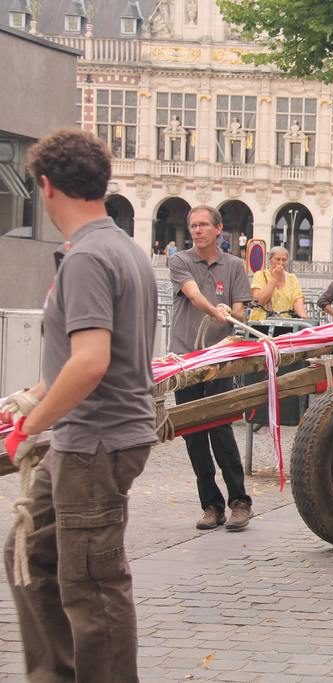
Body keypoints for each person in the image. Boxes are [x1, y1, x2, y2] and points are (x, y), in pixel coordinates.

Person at [1, 128, 157, 681]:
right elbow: (89, 355)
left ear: (45, 187)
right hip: (93, 437)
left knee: (93, 586)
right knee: (29, 553)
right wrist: (33, 396)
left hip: (94, 443)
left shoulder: (89, 258)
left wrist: (33, 426)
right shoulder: (122, 249)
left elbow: (90, 362)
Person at [167, 205, 254, 531]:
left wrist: (233, 314)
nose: (197, 230)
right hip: (185, 359)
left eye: (204, 225)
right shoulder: (180, 260)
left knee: (220, 427)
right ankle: (211, 505)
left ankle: (239, 502)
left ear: (219, 229)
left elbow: (239, 312)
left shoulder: (234, 266)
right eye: (193, 225)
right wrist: (212, 309)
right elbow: (192, 294)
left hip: (219, 360)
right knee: (193, 433)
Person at [249, 245, 307, 320]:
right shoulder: (260, 275)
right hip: (261, 322)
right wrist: (275, 277)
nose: (281, 263)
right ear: (270, 260)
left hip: (285, 323)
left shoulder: (292, 278)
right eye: (277, 259)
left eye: (284, 260)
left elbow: (297, 299)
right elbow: (260, 301)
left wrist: (302, 315)